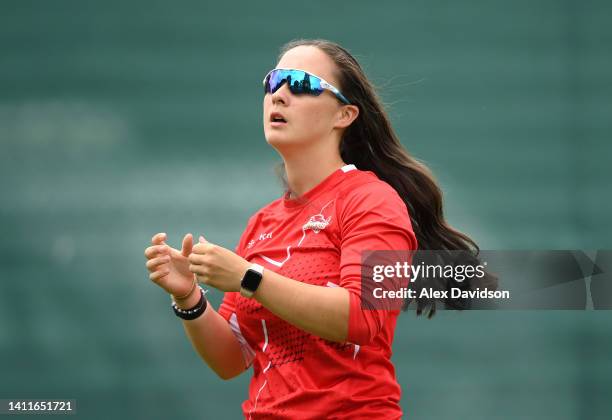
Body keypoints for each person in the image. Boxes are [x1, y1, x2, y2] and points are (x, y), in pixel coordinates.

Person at [144, 39, 483, 419]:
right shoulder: (262, 222)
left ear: (345, 115)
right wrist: (189, 297)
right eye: (272, 83)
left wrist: (248, 277)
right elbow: (232, 357)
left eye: (301, 84)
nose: (280, 95)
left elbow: (361, 317)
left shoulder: (372, 200)